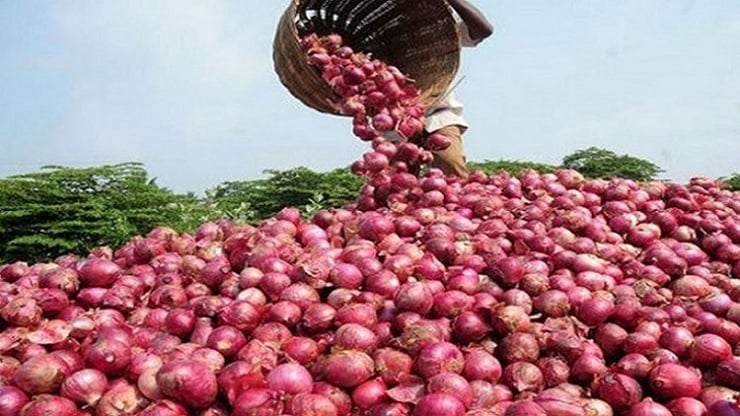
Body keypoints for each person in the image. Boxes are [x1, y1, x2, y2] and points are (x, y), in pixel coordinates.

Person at [425, 0, 493, 178]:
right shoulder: (379, 39)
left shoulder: (439, 28)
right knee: (392, 185)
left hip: (438, 116)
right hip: (396, 123)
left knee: (452, 170)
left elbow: (483, 30)